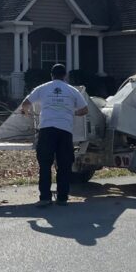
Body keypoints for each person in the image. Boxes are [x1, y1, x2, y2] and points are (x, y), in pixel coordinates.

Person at [19, 63, 88, 206]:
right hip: (65, 130)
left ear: (51, 75)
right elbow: (84, 109)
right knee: (64, 164)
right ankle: (62, 198)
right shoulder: (72, 90)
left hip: (47, 129)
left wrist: (27, 113)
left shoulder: (43, 88)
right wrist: (72, 112)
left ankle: (45, 198)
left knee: (45, 164)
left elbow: (25, 104)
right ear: (65, 76)